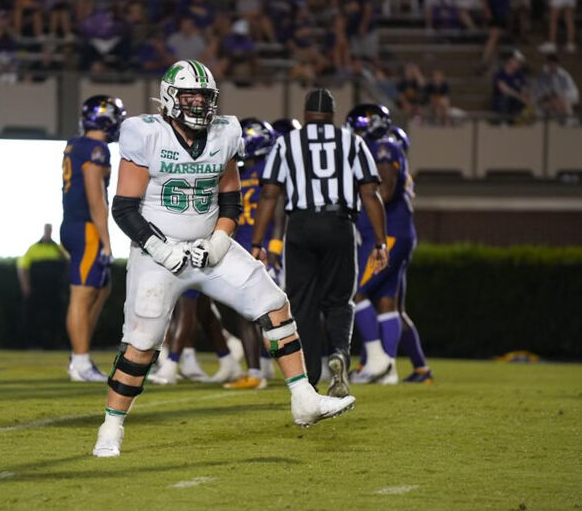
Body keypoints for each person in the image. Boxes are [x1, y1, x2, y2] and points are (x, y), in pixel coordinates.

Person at [93, 61, 355, 458]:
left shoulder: (225, 132)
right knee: (142, 343)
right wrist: (162, 248)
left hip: (208, 246)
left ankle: (304, 398)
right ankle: (111, 427)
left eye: (204, 96)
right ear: (170, 98)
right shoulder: (144, 133)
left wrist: (219, 240)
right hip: (157, 252)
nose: (198, 104)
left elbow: (231, 198)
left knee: (275, 305)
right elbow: (125, 207)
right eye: (190, 96)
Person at [251, 88, 389, 398]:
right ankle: (339, 353)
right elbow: (370, 193)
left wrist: (258, 242)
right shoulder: (352, 142)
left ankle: (309, 377)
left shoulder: (287, 144)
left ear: (305, 114)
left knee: (302, 304)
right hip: (339, 224)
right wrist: (381, 242)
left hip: (299, 225)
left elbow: (270, 195)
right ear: (332, 114)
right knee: (339, 301)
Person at [344, 107, 428, 385]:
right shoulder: (382, 147)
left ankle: (377, 361)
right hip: (392, 233)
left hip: (386, 235)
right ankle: (388, 369)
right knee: (387, 303)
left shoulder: (383, 148)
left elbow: (386, 190)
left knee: (354, 291)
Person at [60, 95, 127, 382]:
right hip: (86, 227)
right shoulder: (96, 148)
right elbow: (95, 195)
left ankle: (79, 355)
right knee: (83, 293)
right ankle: (80, 362)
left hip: (75, 225)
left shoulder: (77, 143)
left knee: (100, 289)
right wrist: (107, 239)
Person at [222, 117, 282, 390]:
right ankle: (265, 368)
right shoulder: (253, 172)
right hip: (259, 250)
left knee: (254, 315)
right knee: (267, 314)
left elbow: (277, 210)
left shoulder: (247, 175)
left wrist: (273, 247)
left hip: (256, 251)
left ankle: (257, 372)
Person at [389, 126, 434, 383]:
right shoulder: (401, 167)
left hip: (394, 239)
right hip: (402, 239)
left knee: (371, 299)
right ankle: (420, 367)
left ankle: (379, 363)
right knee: (395, 308)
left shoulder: (390, 166)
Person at [17, 224, 68, 349]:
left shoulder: (57, 248)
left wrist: (60, 251)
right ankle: (29, 343)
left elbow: (67, 261)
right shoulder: (33, 248)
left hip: (54, 290)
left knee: (55, 318)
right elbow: (23, 266)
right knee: (32, 317)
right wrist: (25, 285)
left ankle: (54, 344)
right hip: (36, 289)